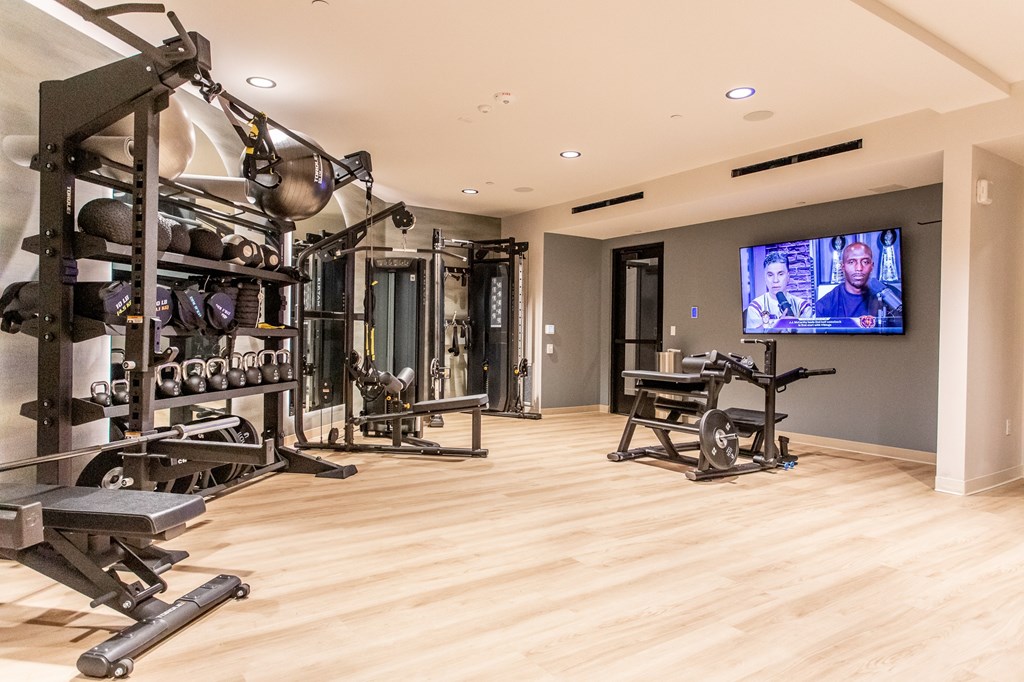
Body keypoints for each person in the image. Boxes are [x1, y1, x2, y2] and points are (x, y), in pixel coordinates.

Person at [745, 252, 812, 330]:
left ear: (788, 277)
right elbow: (754, 338)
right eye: (770, 275)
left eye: (780, 274)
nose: (775, 280)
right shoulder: (756, 307)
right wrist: (778, 326)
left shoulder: (803, 307)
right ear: (765, 278)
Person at [814, 241, 881, 318]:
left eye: (865, 262)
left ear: (872, 266)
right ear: (843, 267)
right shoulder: (827, 303)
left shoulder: (887, 297)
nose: (859, 268)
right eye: (851, 262)